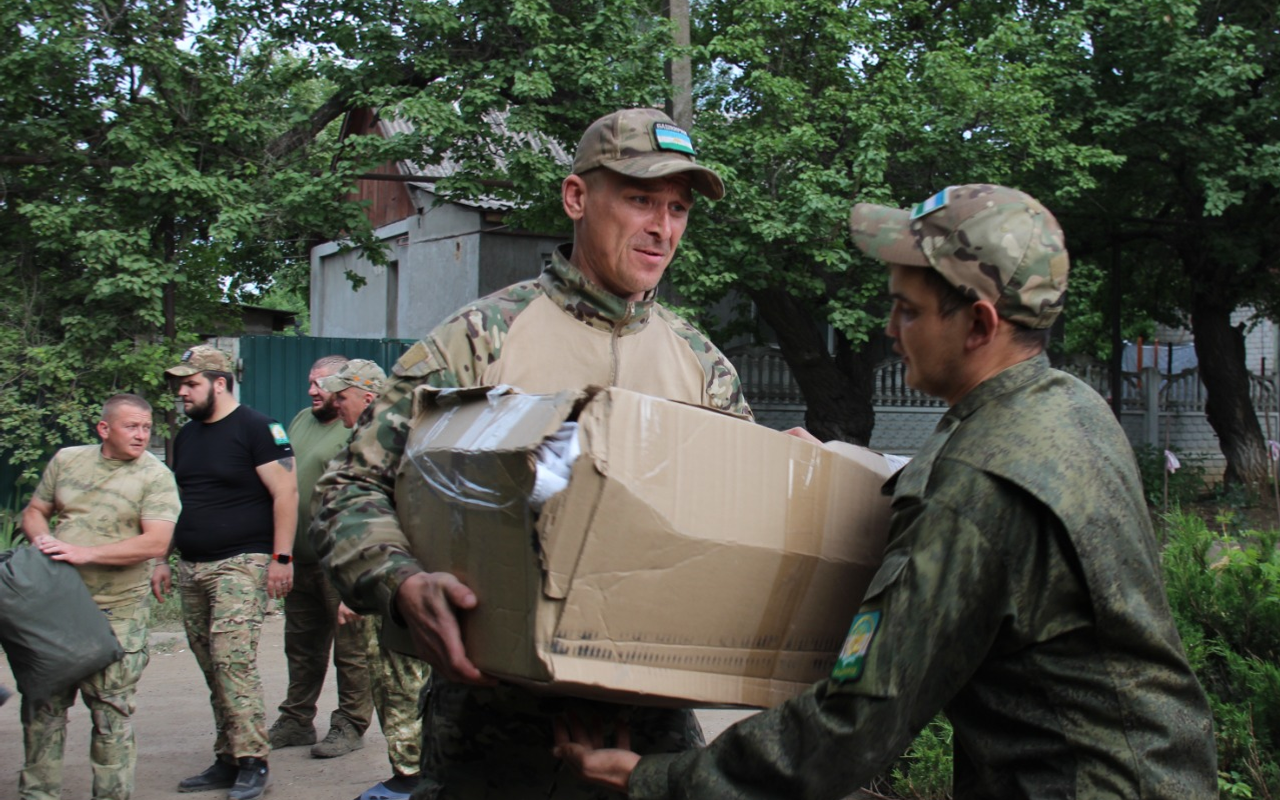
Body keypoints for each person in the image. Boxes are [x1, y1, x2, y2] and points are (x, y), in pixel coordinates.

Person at [552, 183, 1218, 799]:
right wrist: (846, 470)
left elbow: (852, 725)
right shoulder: (1067, 407)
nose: (891, 330)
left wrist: (657, 778)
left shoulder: (977, 488)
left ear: (979, 325)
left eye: (908, 310)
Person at [313, 106, 752, 800]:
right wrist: (399, 582)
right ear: (576, 197)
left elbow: (741, 525)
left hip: (649, 731)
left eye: (678, 208)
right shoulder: (478, 341)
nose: (663, 228)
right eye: (640, 199)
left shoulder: (702, 366)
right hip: (492, 724)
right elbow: (349, 488)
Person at [16, 393, 181, 800]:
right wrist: (44, 541)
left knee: (111, 715)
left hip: (117, 612)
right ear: (104, 429)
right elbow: (35, 510)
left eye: (146, 427)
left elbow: (155, 542)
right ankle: (37, 794)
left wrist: (83, 553)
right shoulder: (68, 461)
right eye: (132, 426)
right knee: (43, 710)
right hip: (58, 609)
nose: (141, 435)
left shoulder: (155, 475)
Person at [154, 345, 299, 800]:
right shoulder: (187, 436)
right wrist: (161, 558)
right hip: (191, 566)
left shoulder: (258, 428)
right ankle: (228, 757)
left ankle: (254, 761)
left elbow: (287, 493)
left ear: (220, 383)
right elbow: (179, 502)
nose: (182, 393)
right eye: (180, 386)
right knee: (210, 665)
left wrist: (281, 559)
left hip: (242, 563)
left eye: (191, 384)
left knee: (232, 661)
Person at [318, 359, 433, 800]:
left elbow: (403, 521)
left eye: (341, 395)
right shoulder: (369, 441)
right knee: (386, 679)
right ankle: (409, 771)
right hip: (385, 583)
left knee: (400, 680)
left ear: (368, 399)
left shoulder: (394, 446)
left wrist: (369, 585)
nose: (335, 403)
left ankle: (412, 777)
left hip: (395, 587)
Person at [267, 355, 374, 759]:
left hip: (339, 561)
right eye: (310, 383)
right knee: (301, 647)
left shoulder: (357, 429)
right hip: (300, 558)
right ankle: (296, 720)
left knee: (351, 650)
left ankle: (350, 723)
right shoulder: (300, 420)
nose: (313, 391)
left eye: (322, 385)